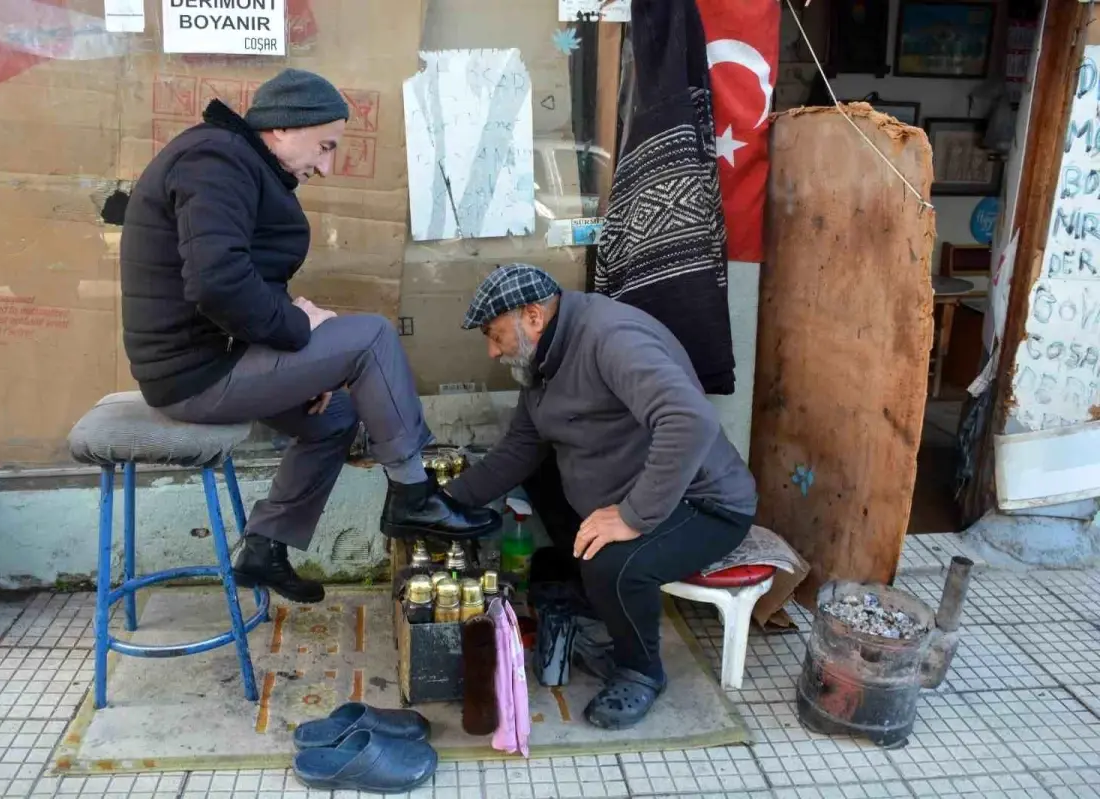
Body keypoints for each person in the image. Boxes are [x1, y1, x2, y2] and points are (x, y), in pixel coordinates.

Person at [119, 69, 499, 605]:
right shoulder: (217, 161)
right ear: (282, 127)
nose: (325, 165)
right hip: (195, 375)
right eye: (324, 146)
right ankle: (413, 495)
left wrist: (303, 338)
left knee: (334, 417)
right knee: (371, 337)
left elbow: (236, 278)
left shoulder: (234, 160)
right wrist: (300, 332)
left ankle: (264, 546)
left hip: (214, 357)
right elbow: (216, 282)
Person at [446, 264, 758, 729]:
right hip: (635, 490)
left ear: (532, 316)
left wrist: (632, 517)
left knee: (611, 561)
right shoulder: (542, 358)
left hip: (703, 502)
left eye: (494, 335)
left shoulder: (611, 337)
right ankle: (597, 595)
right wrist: (446, 502)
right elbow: (519, 450)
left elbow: (688, 420)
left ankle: (640, 669)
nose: (492, 352)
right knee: (541, 475)